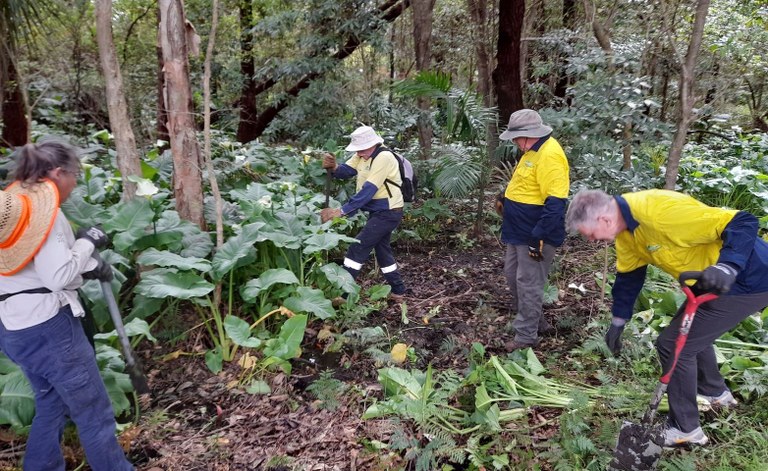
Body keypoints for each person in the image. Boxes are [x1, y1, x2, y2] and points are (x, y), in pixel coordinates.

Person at [565, 188, 768, 447]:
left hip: (748, 279)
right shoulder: (626, 233)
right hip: (708, 283)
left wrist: (729, 265)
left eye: (590, 235)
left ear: (604, 220)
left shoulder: (660, 212)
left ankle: (686, 429)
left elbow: (743, 220)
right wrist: (618, 321)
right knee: (692, 337)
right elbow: (629, 278)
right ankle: (716, 394)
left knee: (674, 345)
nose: (592, 241)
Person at [0, 141, 133, 470]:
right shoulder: (46, 213)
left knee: (51, 402)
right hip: (48, 328)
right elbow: (58, 276)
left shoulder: (18, 208)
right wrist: (88, 241)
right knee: (94, 411)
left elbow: (34, 271)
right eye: (75, 175)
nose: (75, 183)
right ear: (58, 173)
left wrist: (86, 265)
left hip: (15, 327)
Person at [496, 109, 570, 350]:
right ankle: (536, 321)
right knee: (512, 275)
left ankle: (526, 336)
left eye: (517, 138)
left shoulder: (550, 155)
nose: (515, 143)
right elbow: (526, 184)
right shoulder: (532, 151)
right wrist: (505, 198)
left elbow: (556, 202)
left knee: (528, 281)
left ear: (529, 135)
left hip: (535, 232)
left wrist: (539, 235)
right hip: (518, 229)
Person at [319, 125, 407, 300]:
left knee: (357, 247)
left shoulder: (384, 157)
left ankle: (344, 295)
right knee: (382, 251)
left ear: (374, 144)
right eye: (357, 150)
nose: (358, 153)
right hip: (378, 212)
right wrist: (335, 167)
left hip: (389, 212)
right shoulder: (362, 154)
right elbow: (348, 171)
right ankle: (398, 291)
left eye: (362, 149)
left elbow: (369, 190)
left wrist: (342, 211)